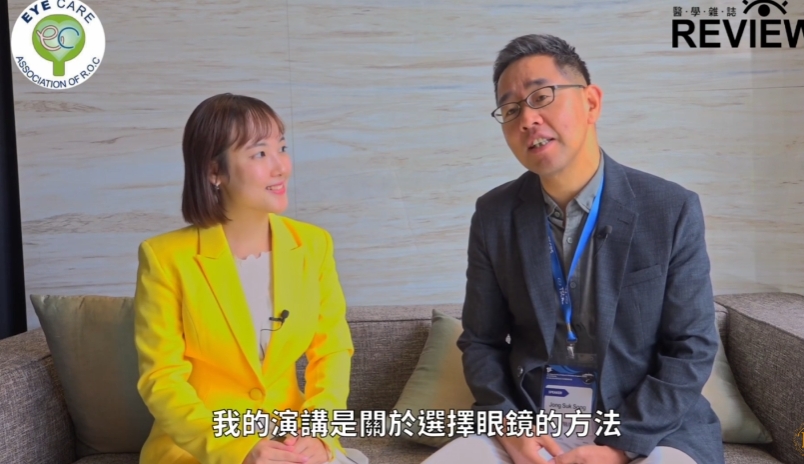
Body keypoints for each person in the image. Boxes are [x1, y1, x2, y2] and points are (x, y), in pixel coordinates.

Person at [423, 34, 723, 464]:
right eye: (511, 109)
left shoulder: (670, 208)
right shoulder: (494, 215)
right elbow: (482, 342)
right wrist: (510, 428)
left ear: (591, 103)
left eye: (541, 96)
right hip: (535, 425)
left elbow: (691, 348)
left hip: (649, 429)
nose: (527, 119)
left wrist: (618, 448)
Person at [133, 93, 368, 464]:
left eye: (282, 148)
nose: (281, 167)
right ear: (215, 171)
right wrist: (237, 449)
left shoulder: (313, 245)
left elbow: (332, 350)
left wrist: (317, 432)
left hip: (291, 442)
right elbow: (161, 378)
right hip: (201, 450)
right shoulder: (164, 258)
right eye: (260, 153)